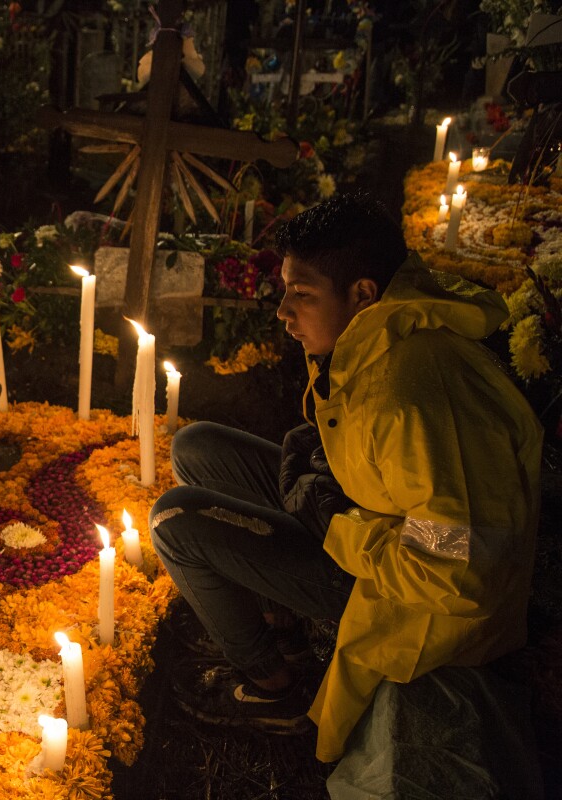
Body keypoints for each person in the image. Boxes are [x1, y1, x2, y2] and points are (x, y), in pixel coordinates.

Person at [149, 194, 542, 765]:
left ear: (362, 291)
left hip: (401, 599)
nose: (283, 313)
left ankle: (272, 687)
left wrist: (337, 520)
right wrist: (318, 460)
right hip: (363, 525)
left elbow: (457, 567)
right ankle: (282, 619)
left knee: (175, 519)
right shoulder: (373, 332)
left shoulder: (412, 397)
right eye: (286, 289)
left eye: (302, 294)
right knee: (197, 447)